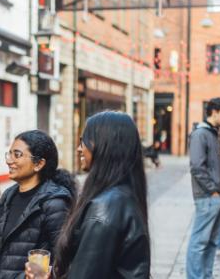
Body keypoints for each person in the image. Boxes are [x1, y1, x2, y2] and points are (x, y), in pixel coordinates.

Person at [47, 111, 150, 279]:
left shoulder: (106, 206)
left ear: (105, 146)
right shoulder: (122, 194)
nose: (79, 148)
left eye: (84, 141)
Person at [0, 130, 74, 279]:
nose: (9, 160)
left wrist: (48, 275)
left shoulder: (55, 203)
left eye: (17, 155)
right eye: (9, 154)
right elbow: (6, 259)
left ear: (38, 164)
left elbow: (64, 262)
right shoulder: (7, 197)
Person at [186, 97, 220, 279]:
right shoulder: (200, 134)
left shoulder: (213, 133)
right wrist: (213, 190)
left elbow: (209, 165)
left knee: (213, 242)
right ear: (214, 112)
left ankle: (206, 276)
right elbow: (196, 167)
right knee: (199, 242)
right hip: (208, 196)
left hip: (217, 194)